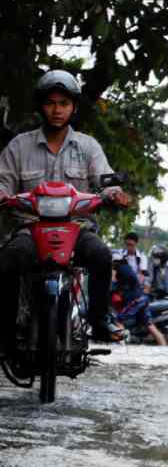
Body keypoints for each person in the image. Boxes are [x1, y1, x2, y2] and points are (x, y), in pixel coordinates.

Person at [0, 70, 130, 344]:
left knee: (102, 255)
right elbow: (3, 182)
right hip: (30, 230)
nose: (57, 110)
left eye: (64, 103)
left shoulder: (88, 146)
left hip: (77, 228)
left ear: (73, 108)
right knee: (8, 259)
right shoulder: (18, 146)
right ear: (41, 106)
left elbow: (104, 180)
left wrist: (114, 194)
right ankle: (6, 329)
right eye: (51, 103)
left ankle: (99, 319)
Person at [111, 252, 168, 346]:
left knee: (118, 320)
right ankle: (164, 345)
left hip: (136, 300)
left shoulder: (121, 270)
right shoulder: (127, 268)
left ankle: (121, 346)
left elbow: (115, 284)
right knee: (149, 324)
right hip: (142, 299)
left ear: (116, 262)